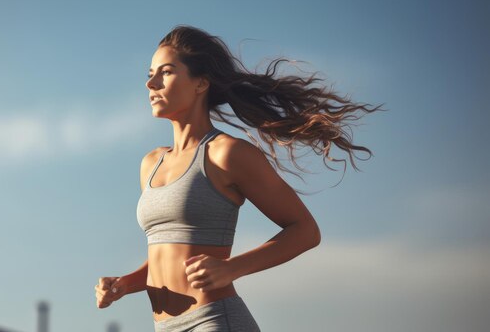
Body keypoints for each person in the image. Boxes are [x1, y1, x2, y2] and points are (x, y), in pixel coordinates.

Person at [95, 25, 383, 331]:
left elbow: (306, 231)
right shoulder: (151, 163)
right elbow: (172, 252)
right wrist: (127, 283)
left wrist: (233, 268)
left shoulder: (226, 154)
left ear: (201, 83)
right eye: (150, 73)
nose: (151, 83)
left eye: (165, 72)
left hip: (214, 321)